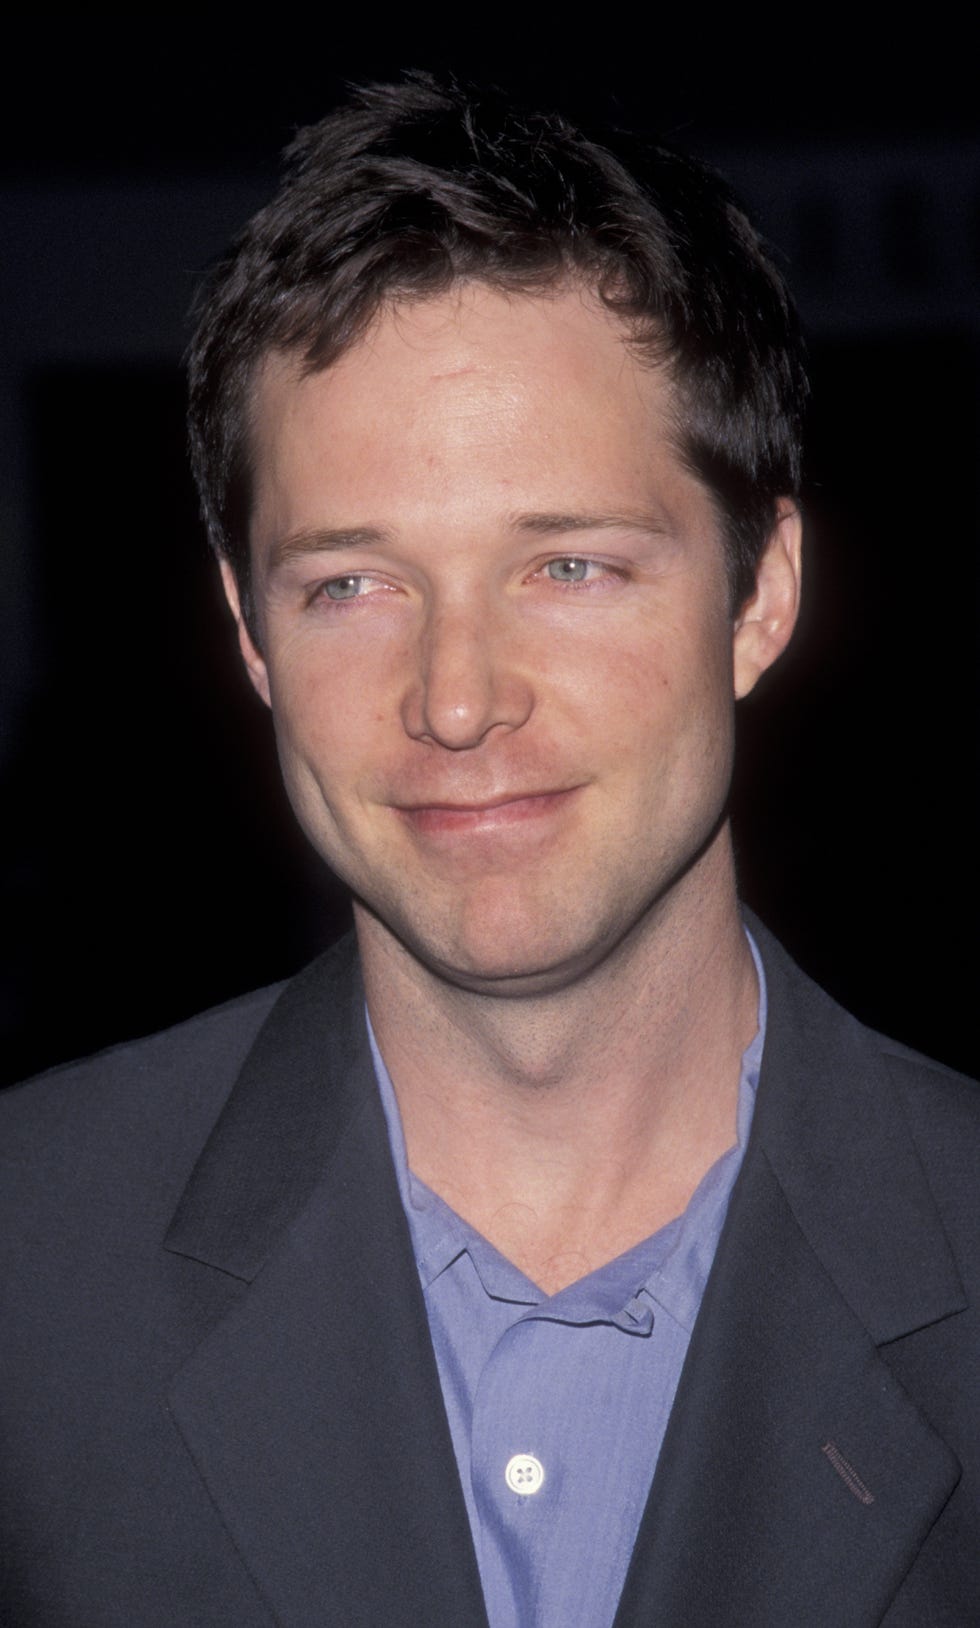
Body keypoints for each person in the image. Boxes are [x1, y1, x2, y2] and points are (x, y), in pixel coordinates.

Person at [1, 74, 977, 1628]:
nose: (456, 699)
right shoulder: (27, 1267)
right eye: (352, 586)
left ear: (762, 592)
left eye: (569, 565)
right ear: (250, 635)